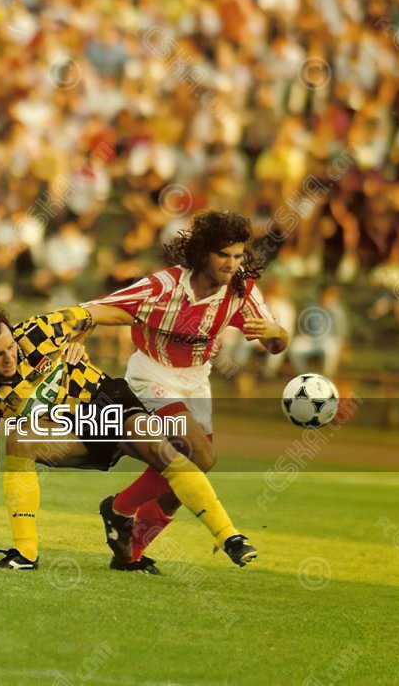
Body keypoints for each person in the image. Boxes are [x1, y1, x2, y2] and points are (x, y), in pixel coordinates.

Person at [0, 303, 259, 573]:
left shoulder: (38, 330)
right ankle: (25, 553)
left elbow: (95, 312)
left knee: (165, 453)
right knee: (18, 438)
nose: (9, 357)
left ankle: (228, 536)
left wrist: (81, 339)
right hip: (74, 431)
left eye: (10, 346)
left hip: (107, 401)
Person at [85, 210, 289, 568]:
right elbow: (97, 308)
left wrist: (279, 334)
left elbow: (276, 343)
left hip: (197, 379)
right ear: (202, 253)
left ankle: (131, 548)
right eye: (223, 255)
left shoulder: (241, 290)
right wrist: (75, 336)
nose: (231, 264)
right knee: (200, 455)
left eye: (237, 255)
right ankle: (121, 509)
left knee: (195, 466)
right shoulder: (162, 286)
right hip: (152, 374)